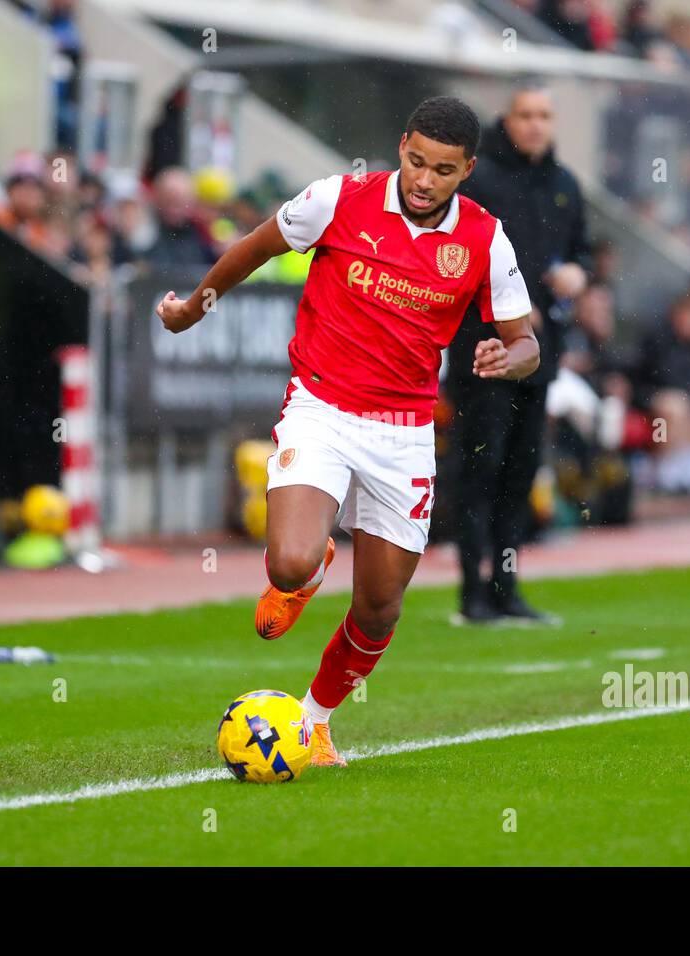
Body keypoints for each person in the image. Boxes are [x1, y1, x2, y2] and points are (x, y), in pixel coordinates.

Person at [156, 97, 538, 767]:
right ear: (400, 146)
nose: (423, 180)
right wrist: (193, 308)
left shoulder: (485, 238)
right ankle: (305, 567)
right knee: (289, 561)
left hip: (405, 432)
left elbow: (526, 340)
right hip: (323, 409)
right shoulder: (338, 199)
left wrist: (511, 359)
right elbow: (253, 247)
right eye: (415, 161)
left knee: (381, 608)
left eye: (442, 170)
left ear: (467, 169)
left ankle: (316, 722)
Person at [448, 83, 588, 624]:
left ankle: (506, 587)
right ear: (506, 119)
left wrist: (579, 272)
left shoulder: (564, 185)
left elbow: (578, 251)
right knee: (479, 469)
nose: (534, 125)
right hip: (483, 348)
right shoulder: (479, 180)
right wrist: (505, 310)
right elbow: (454, 257)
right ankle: (471, 593)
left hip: (541, 351)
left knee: (521, 472)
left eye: (544, 115)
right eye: (525, 114)